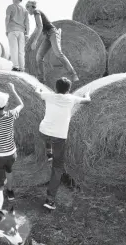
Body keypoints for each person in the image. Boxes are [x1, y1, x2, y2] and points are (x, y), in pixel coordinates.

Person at [36, 77, 91, 210]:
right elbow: (87, 101)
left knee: (47, 137)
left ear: (56, 88)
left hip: (43, 131)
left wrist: (39, 87)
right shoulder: (71, 98)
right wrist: (87, 93)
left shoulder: (49, 96)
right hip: (58, 136)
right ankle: (50, 200)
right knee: (57, 167)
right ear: (69, 89)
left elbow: (37, 92)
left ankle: (49, 151)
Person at [0, 83, 24, 210]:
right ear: (6, 105)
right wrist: (13, 90)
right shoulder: (10, 115)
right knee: (9, 170)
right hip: (10, 154)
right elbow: (21, 104)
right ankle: (11, 192)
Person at [25, 1, 79, 84]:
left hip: (52, 33)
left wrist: (35, 41)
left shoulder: (36, 12)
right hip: (47, 36)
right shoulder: (36, 16)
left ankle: (73, 74)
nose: (27, 10)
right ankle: (41, 79)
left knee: (58, 53)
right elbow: (37, 29)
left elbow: (40, 26)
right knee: (39, 56)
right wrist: (30, 40)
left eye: (27, 7)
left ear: (31, 7)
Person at [6, 0, 29, 72]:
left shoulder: (10, 7)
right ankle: (22, 68)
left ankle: (16, 66)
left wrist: (6, 30)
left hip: (12, 30)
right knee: (21, 51)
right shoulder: (25, 10)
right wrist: (27, 34)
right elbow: (27, 23)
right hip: (22, 32)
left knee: (13, 49)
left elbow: (7, 19)